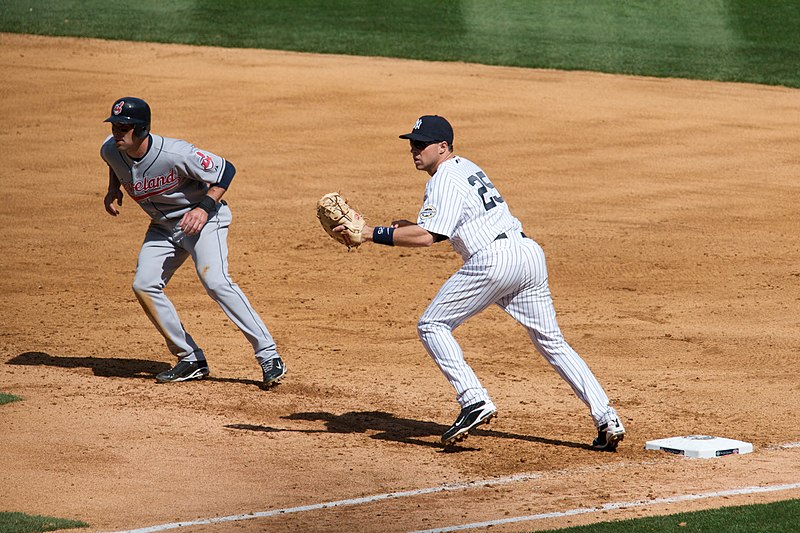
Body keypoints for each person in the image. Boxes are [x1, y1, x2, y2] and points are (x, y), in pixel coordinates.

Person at [338, 115, 625, 450]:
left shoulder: (442, 178)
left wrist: (372, 234)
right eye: (412, 144)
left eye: (421, 144)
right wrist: (405, 229)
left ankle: (473, 399)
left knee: (432, 324)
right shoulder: (466, 167)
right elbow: (449, 225)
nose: (414, 150)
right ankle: (607, 416)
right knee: (553, 342)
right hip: (527, 255)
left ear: (443, 147)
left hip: (494, 261)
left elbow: (427, 237)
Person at [100, 96, 286, 387]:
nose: (117, 133)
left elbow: (226, 170)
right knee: (144, 284)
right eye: (115, 127)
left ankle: (269, 354)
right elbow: (113, 162)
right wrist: (113, 188)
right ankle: (190, 358)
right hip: (163, 227)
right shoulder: (111, 149)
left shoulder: (175, 153)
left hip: (204, 221)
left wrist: (204, 208)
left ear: (142, 130)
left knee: (216, 282)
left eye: (124, 128)